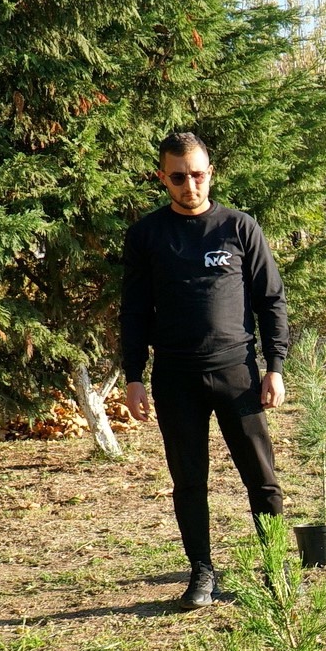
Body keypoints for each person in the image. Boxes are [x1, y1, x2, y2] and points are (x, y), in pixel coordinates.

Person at [120, 132, 288, 609]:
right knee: (189, 481)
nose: (189, 185)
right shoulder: (146, 235)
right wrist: (134, 375)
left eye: (197, 174)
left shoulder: (239, 228)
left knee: (262, 478)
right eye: (178, 177)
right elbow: (133, 311)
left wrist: (274, 366)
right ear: (163, 178)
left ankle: (276, 568)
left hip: (236, 374)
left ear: (210, 172)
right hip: (174, 379)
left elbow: (271, 300)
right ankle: (202, 574)